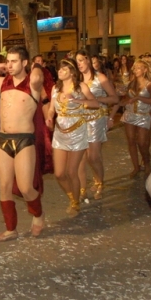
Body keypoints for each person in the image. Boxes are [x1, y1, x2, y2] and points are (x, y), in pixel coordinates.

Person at [0, 46, 45, 242]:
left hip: (24, 139)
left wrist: (36, 64)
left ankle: (38, 214)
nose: (10, 65)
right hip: (3, 140)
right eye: (8, 61)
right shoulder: (1, 81)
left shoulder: (33, 84)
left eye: (14, 61)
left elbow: (38, 77)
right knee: (4, 187)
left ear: (24, 63)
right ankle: (11, 229)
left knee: (25, 188)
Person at [46, 59, 99, 215]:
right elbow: (51, 109)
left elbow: (95, 103)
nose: (60, 72)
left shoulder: (80, 87)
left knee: (71, 172)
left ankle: (75, 203)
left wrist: (78, 100)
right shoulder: (55, 89)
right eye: (59, 69)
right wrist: (49, 117)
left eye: (63, 69)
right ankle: (72, 196)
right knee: (59, 173)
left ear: (72, 72)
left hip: (77, 132)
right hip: (60, 133)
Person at [75, 51, 119, 201]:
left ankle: (99, 182)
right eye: (77, 61)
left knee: (93, 156)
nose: (79, 63)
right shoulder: (77, 79)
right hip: (80, 120)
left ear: (89, 60)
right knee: (81, 157)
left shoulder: (100, 78)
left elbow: (115, 98)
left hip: (96, 119)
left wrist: (96, 99)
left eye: (81, 60)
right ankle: (82, 189)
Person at [121, 57, 151, 177]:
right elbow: (126, 97)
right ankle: (136, 167)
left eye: (138, 68)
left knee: (142, 142)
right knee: (131, 141)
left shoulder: (150, 84)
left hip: (143, 115)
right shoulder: (132, 82)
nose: (135, 70)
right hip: (130, 114)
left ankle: (146, 162)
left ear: (145, 70)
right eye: (135, 68)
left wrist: (139, 98)